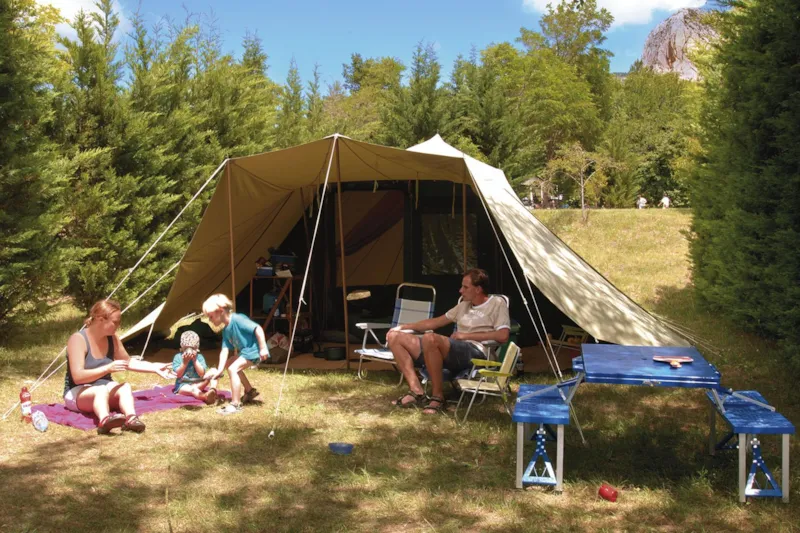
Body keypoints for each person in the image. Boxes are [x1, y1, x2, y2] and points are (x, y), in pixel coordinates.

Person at [386, 268, 510, 415]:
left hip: (477, 352)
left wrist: (465, 336)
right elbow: (435, 322)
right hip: (455, 351)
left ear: (478, 289)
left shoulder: (496, 303)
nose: (460, 291)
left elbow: (503, 335)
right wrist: (403, 327)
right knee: (394, 337)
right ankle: (416, 391)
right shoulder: (463, 305)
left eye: (465, 287)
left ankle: (438, 397)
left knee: (430, 338)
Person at [64, 299, 172, 434]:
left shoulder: (112, 338)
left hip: (104, 388)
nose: (118, 326)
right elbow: (78, 377)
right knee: (100, 390)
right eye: (115, 322)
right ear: (100, 319)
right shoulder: (78, 339)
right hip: (78, 392)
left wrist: (154, 367)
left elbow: (128, 362)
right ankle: (104, 421)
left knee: (124, 387)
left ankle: (131, 419)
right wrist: (107, 368)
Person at [202, 294, 269, 415]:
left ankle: (235, 404)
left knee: (233, 369)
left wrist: (263, 348)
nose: (210, 320)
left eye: (211, 317)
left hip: (254, 350)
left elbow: (257, 328)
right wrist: (219, 370)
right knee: (230, 364)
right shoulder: (226, 330)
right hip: (246, 352)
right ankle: (249, 391)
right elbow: (224, 350)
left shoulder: (237, 319)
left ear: (220, 311)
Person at [172, 330, 219, 405]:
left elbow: (202, 374)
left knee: (214, 371)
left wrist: (195, 360)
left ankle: (212, 390)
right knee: (193, 389)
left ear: (197, 348)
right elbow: (178, 374)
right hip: (183, 385)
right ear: (182, 347)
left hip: (198, 382)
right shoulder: (178, 357)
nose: (189, 351)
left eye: (192, 348)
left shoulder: (199, 357)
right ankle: (206, 397)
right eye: (186, 348)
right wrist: (184, 363)